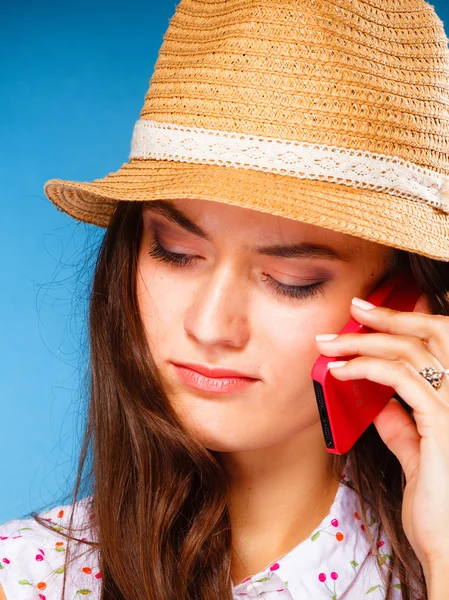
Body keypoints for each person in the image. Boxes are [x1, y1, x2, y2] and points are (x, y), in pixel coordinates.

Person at [2, 0, 449, 599]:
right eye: (175, 252)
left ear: (406, 302)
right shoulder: (26, 576)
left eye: (291, 280)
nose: (211, 326)